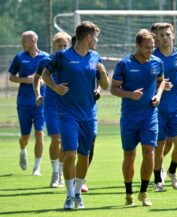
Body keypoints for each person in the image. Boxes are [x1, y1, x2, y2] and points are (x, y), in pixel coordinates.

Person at [42, 21, 109, 209]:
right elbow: (45, 74)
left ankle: (79, 193)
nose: (97, 40)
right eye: (95, 36)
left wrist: (103, 75)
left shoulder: (96, 57)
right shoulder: (62, 56)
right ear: (88, 37)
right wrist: (55, 87)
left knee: (84, 155)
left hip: (88, 114)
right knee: (70, 153)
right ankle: (69, 195)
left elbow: (104, 86)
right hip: (67, 113)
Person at [111, 29, 166, 207]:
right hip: (129, 117)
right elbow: (113, 89)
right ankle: (128, 194)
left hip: (150, 116)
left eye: (152, 47)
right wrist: (129, 94)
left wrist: (158, 95)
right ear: (138, 45)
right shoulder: (124, 64)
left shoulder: (157, 62)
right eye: (147, 47)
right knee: (129, 155)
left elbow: (161, 81)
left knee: (149, 152)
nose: (150, 50)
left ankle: (144, 192)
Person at [151, 22, 177, 191]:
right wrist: (159, 85)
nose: (165, 38)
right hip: (157, 108)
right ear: (157, 38)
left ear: (173, 35)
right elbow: (146, 80)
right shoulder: (151, 57)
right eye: (161, 35)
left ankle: (172, 172)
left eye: (168, 34)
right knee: (159, 147)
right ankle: (157, 179)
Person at [33, 32, 71, 187]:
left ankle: (61, 173)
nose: (62, 48)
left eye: (65, 45)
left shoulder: (72, 61)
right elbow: (37, 77)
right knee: (56, 138)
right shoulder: (46, 60)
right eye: (59, 46)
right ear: (54, 46)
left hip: (68, 105)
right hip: (51, 105)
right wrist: (37, 94)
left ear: (69, 45)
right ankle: (55, 174)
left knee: (65, 142)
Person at [9, 31, 49, 176]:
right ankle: (22, 150)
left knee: (40, 132)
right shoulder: (19, 57)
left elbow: (51, 76)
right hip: (24, 102)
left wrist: (43, 81)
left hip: (41, 101)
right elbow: (12, 77)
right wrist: (24, 80)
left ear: (33, 40)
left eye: (23, 40)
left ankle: (37, 167)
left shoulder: (45, 57)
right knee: (25, 136)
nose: (22, 43)